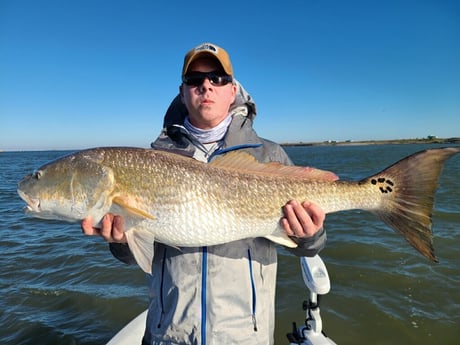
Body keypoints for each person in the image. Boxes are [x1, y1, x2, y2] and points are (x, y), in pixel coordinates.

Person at [82, 42, 328, 345]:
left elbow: (309, 247)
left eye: (217, 78)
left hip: (244, 337)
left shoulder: (269, 155)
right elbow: (137, 256)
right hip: (168, 335)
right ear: (183, 92)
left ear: (233, 89)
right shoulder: (152, 159)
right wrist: (120, 243)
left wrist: (308, 235)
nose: (206, 86)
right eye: (195, 80)